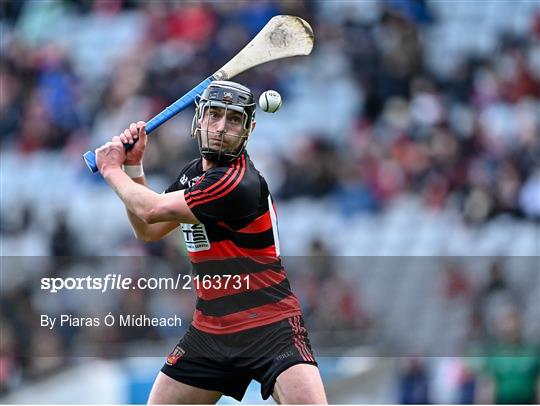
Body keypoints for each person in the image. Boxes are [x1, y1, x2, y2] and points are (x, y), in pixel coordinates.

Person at [95, 81, 327, 404]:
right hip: (211, 330)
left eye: (233, 120)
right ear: (199, 121)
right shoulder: (193, 176)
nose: (221, 128)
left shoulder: (236, 182)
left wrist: (110, 169)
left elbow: (149, 210)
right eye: (215, 115)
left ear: (249, 130)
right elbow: (147, 231)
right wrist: (133, 165)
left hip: (269, 326)